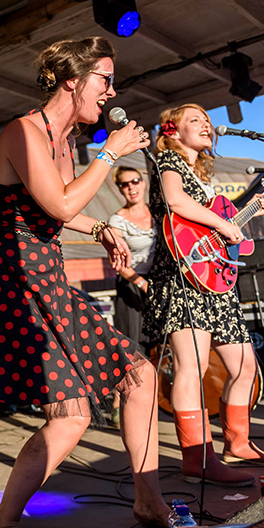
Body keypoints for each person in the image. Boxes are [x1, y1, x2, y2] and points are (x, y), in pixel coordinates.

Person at [0, 37, 169, 528]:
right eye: (105, 79)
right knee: (71, 415)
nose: (111, 92)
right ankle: (4, 526)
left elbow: (61, 208)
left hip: (45, 275)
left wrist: (100, 227)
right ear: (73, 80)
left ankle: (148, 499)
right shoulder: (23, 131)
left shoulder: (65, 143)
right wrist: (110, 154)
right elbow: (60, 205)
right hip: (9, 278)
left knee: (139, 376)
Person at [143, 104, 264, 487]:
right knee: (192, 367)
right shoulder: (169, 163)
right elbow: (176, 202)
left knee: (244, 366)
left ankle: (238, 443)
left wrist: (248, 214)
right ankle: (198, 459)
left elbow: (219, 230)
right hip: (184, 277)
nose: (206, 125)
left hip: (215, 282)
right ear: (172, 131)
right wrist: (224, 224)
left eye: (207, 120)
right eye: (196, 120)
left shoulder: (204, 178)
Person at [106, 165, 156, 426]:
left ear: (143, 182)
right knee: (133, 348)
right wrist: (142, 284)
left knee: (159, 344)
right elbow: (117, 262)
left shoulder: (158, 213)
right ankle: (119, 402)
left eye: (135, 181)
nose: (131, 187)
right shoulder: (117, 220)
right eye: (124, 184)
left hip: (159, 283)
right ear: (119, 189)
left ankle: (156, 398)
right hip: (132, 285)